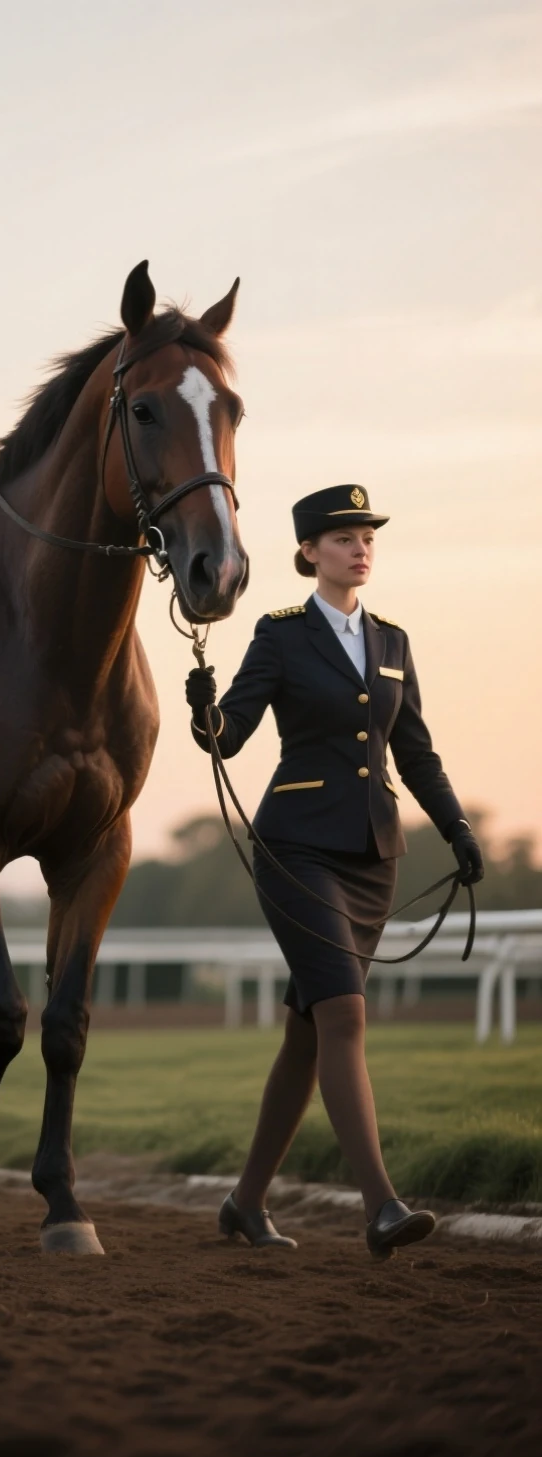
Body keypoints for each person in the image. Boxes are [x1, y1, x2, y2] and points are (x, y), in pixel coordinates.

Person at [185, 484, 484, 1259]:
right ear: (310, 552)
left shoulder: (392, 641)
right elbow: (232, 735)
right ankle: (382, 1207)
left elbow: (413, 751)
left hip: (374, 857)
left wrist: (456, 828)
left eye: (368, 538)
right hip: (296, 851)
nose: (361, 549)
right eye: (345, 538)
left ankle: (244, 1205)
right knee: (344, 1016)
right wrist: (206, 712)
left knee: (308, 1034)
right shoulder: (280, 635)